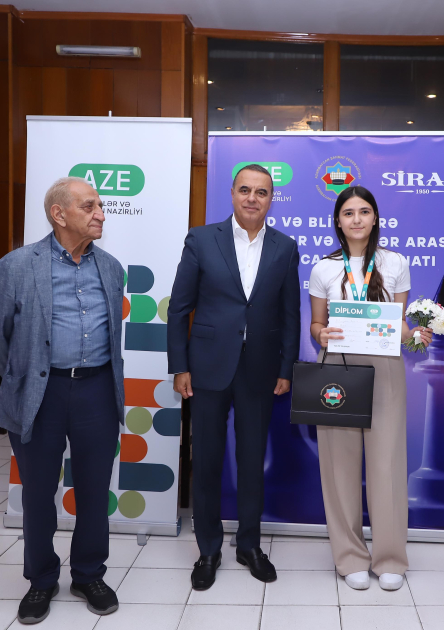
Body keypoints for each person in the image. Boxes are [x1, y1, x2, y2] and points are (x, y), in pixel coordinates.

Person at [0, 177, 126, 624]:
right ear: (58, 214)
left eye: (100, 206)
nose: (101, 214)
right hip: (41, 393)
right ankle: (41, 580)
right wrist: (25, 377)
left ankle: (88, 575)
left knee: (94, 491)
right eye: (89, 206)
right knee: (39, 493)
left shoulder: (111, 267)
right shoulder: (17, 266)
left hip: (97, 390)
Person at [167, 164, 300, 590]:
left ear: (271, 198)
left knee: (251, 461)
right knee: (206, 460)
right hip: (207, 367)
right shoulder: (202, 239)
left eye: (261, 192)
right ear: (232, 193)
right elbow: (179, 308)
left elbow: (291, 314)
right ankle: (208, 549)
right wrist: (180, 366)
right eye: (245, 190)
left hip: (260, 369)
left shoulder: (285, 247)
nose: (252, 198)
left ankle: (249, 545)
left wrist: (286, 368)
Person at [309, 185, 432, 592]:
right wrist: (321, 333)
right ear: (338, 221)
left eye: (364, 211)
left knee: (387, 463)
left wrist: (416, 336)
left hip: (385, 367)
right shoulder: (324, 268)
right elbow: (316, 325)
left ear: (375, 217)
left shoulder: (395, 262)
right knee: (339, 465)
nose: (357, 219)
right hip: (337, 368)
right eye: (348, 213)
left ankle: (391, 558)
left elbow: (399, 325)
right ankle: (349, 557)